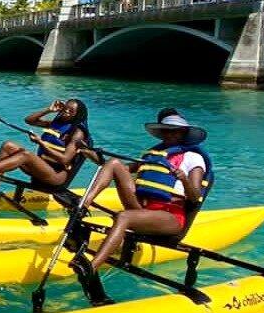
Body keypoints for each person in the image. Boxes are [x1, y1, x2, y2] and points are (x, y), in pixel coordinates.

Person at [76, 110, 212, 275]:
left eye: (174, 130)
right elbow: (117, 170)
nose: (169, 133)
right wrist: (88, 152)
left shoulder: (193, 157)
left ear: (184, 133)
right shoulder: (153, 155)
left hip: (170, 216)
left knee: (123, 216)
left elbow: (195, 196)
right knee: (114, 163)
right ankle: (83, 205)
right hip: (142, 208)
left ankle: (91, 268)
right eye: (166, 130)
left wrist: (183, 179)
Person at [0, 98, 92, 194]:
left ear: (78, 115)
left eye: (71, 111)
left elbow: (65, 159)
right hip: (41, 169)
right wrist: (49, 110)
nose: (66, 112)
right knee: (8, 145)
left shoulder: (77, 133)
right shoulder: (57, 123)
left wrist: (40, 142)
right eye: (65, 109)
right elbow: (29, 120)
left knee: (26, 155)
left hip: (56, 177)